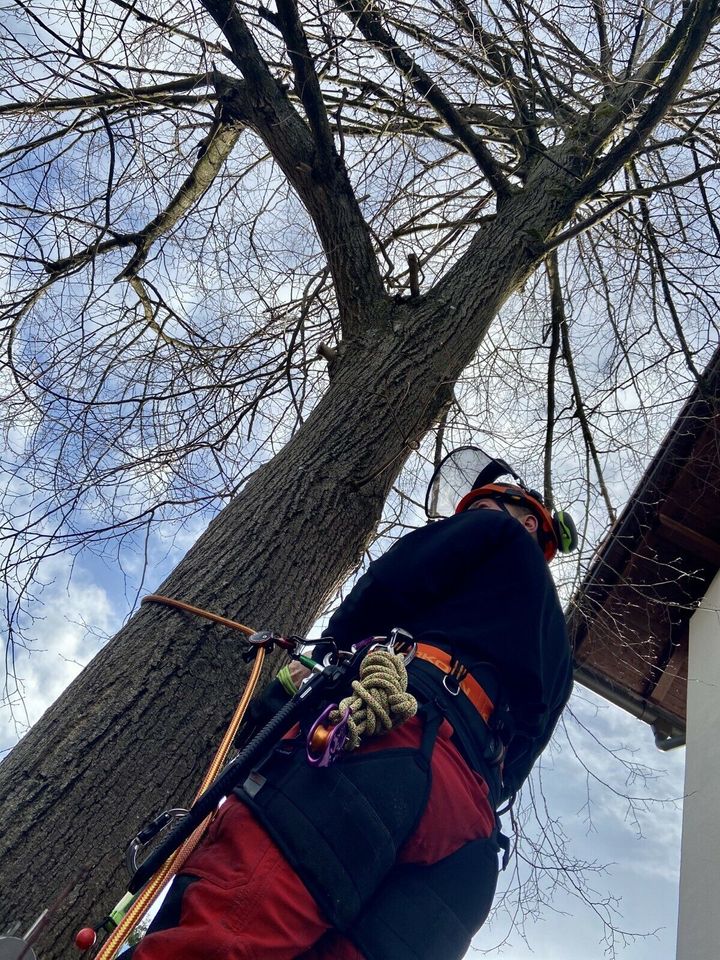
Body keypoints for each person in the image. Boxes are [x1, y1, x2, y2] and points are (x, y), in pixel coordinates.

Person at [128, 448, 576, 960]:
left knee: (231, 933)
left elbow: (391, 582)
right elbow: (520, 762)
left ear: (519, 518)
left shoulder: (492, 535)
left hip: (389, 746)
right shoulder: (557, 651)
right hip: (466, 838)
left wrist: (326, 650)